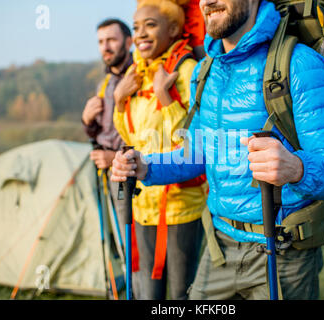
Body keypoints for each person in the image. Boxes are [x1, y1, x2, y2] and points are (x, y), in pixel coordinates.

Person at [111, 0, 324, 300]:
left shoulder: (298, 64)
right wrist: (146, 166)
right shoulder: (205, 71)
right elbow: (197, 153)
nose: (209, 2)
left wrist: (296, 168)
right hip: (219, 247)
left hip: (282, 253)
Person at [111, 0, 207, 300]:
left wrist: (165, 97)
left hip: (181, 205)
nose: (140, 34)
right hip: (142, 204)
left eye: (150, 25)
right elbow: (132, 136)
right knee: (148, 294)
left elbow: (194, 141)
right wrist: (118, 100)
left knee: (181, 295)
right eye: (136, 27)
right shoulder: (135, 74)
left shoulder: (188, 69)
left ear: (174, 28)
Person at [81, 18, 134, 296]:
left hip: (129, 174)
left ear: (128, 41)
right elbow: (102, 130)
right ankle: (124, 285)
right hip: (106, 173)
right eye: (101, 42)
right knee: (118, 237)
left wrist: (113, 155)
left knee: (131, 238)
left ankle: (138, 291)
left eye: (111, 40)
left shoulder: (137, 76)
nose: (106, 47)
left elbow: (147, 133)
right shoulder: (105, 83)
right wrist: (87, 120)